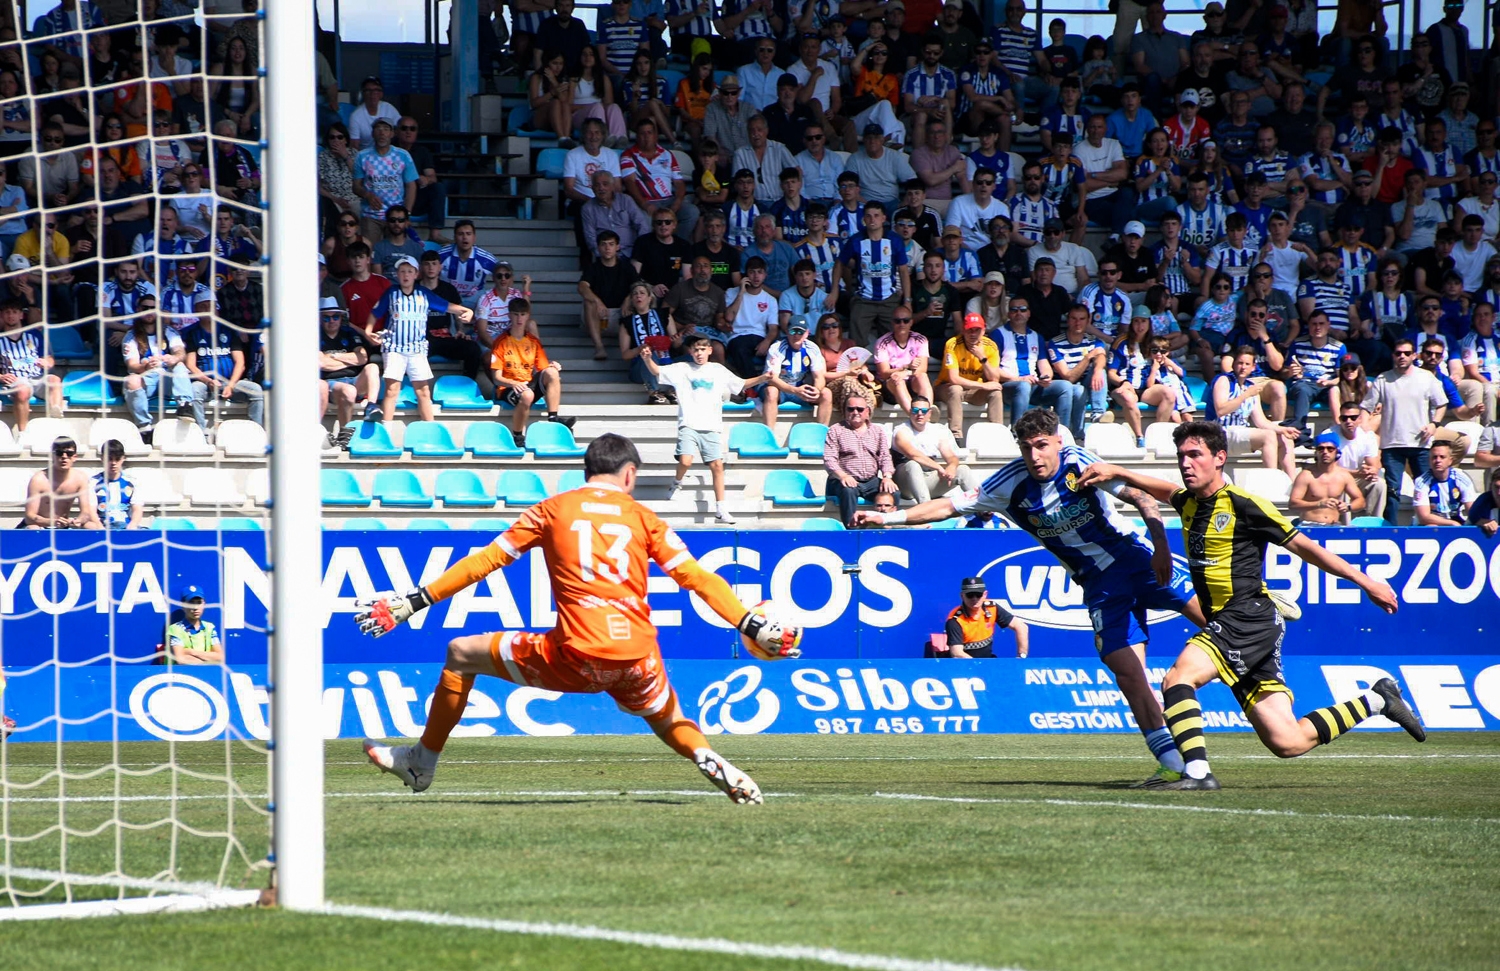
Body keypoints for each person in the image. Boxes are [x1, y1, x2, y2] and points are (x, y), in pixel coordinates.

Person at [360, 434, 803, 803]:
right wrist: (749, 622)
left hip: (576, 652)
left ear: (586, 472)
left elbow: (487, 561)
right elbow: (696, 577)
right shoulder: (643, 517)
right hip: (638, 654)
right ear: (629, 475)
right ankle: (706, 756)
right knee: (668, 719)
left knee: (460, 653)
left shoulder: (553, 510)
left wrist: (417, 600)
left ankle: (422, 763)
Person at [860, 407, 1204, 783]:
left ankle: (1256, 675)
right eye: (1027, 448)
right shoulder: (1009, 483)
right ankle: (1172, 765)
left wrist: (1159, 548)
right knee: (1127, 672)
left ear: (1058, 440)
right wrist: (887, 518)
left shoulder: (1079, 463)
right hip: (1100, 586)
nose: (1035, 456)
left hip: (1141, 561)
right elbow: (946, 506)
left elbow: (1143, 499)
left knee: (1219, 624)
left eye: (1042, 445)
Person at [1075, 420, 1422, 790]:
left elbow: (1305, 546)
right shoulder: (1189, 502)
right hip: (1244, 624)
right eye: (1181, 456)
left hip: (1246, 617)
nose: (1186, 463)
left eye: (1195, 455)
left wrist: (1367, 581)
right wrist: (1116, 471)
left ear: (1220, 458)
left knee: (1178, 678)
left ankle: (1196, 773)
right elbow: (1165, 490)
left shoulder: (1245, 505)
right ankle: (1377, 700)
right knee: (1287, 741)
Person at [646, 334, 764, 524]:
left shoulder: (718, 370)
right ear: (690, 352)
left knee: (717, 466)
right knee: (685, 461)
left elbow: (741, 384)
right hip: (689, 424)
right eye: (695, 350)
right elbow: (656, 371)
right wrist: (647, 358)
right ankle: (677, 483)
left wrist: (763, 377)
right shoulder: (682, 368)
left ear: (709, 350)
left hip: (711, 426)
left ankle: (721, 508)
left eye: (702, 349)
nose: (699, 353)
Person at [367, 255, 475, 424]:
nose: (406, 275)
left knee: (423, 391)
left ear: (416, 274)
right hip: (394, 348)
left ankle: (430, 429)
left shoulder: (424, 293)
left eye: (409, 271)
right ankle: (386, 430)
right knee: (391, 390)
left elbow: (447, 306)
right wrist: (368, 332)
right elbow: (375, 312)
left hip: (417, 349)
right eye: (402, 271)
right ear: (397, 274)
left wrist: (466, 311)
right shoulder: (391, 292)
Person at [1361, 338, 1448, 524]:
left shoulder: (1426, 377)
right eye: (1398, 353)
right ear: (1393, 355)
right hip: (1392, 444)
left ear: (1414, 355)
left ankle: (1429, 525)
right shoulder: (1383, 379)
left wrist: (1434, 425)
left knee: (1425, 490)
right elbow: (1366, 407)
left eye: (1407, 353)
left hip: (1421, 444)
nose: (1402, 356)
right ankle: (1391, 529)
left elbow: (1441, 404)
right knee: (1392, 491)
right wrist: (1364, 430)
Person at [489, 298, 571, 446]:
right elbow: (497, 378)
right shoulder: (501, 342)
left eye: (522, 314)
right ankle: (518, 435)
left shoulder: (533, 341)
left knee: (552, 373)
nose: (519, 318)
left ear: (528, 316)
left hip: (528, 383)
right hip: (508, 387)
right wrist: (513, 383)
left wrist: (553, 366)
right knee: (527, 394)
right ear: (509, 316)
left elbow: (543, 369)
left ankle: (553, 418)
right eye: (515, 314)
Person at [1207, 345, 1299, 477]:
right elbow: (1221, 410)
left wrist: (1283, 430)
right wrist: (1245, 395)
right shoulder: (1224, 380)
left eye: (1247, 364)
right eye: (1240, 363)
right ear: (1234, 364)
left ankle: (1292, 484)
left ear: (1253, 367)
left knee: (1285, 438)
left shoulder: (1251, 387)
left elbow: (1261, 421)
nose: (1243, 367)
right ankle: (1271, 479)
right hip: (1221, 432)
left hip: (1241, 433)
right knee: (1268, 436)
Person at [824, 393, 896, 526]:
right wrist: (843, 476)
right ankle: (852, 530)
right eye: (850, 409)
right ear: (845, 411)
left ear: (867, 411)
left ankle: (886, 526)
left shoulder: (877, 431)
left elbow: (885, 457)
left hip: (871, 481)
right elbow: (829, 459)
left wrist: (887, 476)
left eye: (860, 409)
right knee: (848, 490)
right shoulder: (835, 430)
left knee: (893, 491)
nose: (855, 412)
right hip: (843, 480)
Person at [183, 315, 264, 432]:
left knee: (255, 389)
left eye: (209, 306)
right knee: (194, 390)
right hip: (205, 384)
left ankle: (256, 432)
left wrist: (231, 385)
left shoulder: (228, 331)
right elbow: (190, 365)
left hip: (230, 382)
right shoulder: (193, 334)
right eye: (203, 306)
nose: (207, 310)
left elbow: (240, 363)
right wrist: (208, 381)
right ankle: (201, 434)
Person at [318, 298, 382, 446]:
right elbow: (321, 364)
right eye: (326, 317)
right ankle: (344, 435)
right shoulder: (315, 334)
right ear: (320, 319)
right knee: (349, 390)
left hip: (355, 379)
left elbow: (363, 358)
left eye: (335, 316)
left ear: (341, 318)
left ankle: (371, 406)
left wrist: (334, 356)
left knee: (372, 367)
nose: (331, 321)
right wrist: (349, 359)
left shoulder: (349, 332)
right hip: (330, 383)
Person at [892, 394, 977, 504]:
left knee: (962, 470)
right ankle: (926, 508)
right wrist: (939, 468)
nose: (919, 414)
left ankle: (983, 508)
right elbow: (913, 454)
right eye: (915, 410)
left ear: (929, 413)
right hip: (906, 483)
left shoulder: (938, 430)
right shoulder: (901, 431)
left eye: (923, 410)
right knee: (913, 465)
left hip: (929, 478)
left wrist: (951, 466)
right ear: (910, 412)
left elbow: (950, 455)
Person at [938, 313, 1004, 441]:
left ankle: (998, 435)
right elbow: (954, 379)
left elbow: (994, 379)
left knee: (995, 392)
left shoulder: (990, 346)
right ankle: (956, 436)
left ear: (983, 330)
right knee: (955, 389)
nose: (973, 334)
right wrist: (983, 385)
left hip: (973, 390)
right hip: (946, 387)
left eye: (977, 330)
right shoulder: (953, 344)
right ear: (963, 330)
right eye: (969, 330)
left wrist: (982, 358)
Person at [0, 297, 62, 430]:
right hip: (16, 380)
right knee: (23, 390)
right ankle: (23, 433)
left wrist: (47, 362)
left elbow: (50, 359)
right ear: (2, 316)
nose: (11, 316)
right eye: (7, 312)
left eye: (14, 312)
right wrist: (1, 377)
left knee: (55, 380)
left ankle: (56, 420)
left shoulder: (34, 335)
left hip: (37, 377)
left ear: (21, 315)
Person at [1288, 431, 1365, 525]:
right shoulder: (1306, 475)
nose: (1325, 452)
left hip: (1333, 525)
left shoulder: (1343, 475)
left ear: (1337, 451)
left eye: (1330, 449)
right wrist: (1319, 504)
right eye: (1321, 449)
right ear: (1316, 452)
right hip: (1309, 525)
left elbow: (1360, 501)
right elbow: (1293, 504)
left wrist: (1348, 507)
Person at [23, 436, 100, 529]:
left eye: (69, 453)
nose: (64, 457)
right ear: (53, 456)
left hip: (64, 525)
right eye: (59, 453)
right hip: (41, 524)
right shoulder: (39, 479)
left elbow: (86, 513)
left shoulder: (80, 478)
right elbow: (29, 517)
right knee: (33, 528)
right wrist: (52, 522)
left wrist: (78, 521)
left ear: (75, 457)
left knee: (91, 526)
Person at [943, 577, 1029, 658]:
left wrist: (1021, 656)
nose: (974, 599)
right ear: (962, 596)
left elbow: (1021, 627)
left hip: (987, 662)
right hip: (965, 667)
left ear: (985, 594)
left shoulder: (992, 608)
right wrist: (979, 667)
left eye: (978, 594)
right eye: (970, 595)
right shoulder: (955, 620)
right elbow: (957, 653)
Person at [873, 308, 931, 414]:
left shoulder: (920, 339)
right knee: (897, 379)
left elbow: (922, 369)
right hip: (890, 388)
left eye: (906, 320)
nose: (902, 324)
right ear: (892, 323)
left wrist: (905, 372)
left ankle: (927, 411)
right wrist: (904, 367)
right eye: (897, 321)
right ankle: (914, 415)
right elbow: (884, 373)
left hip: (912, 383)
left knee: (922, 376)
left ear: (911, 322)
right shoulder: (882, 343)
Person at [1411, 440, 1474, 527]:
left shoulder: (1461, 478)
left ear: (1450, 460)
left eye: (1442, 457)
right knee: (1431, 527)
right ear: (1429, 460)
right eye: (1434, 457)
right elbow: (1424, 517)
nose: (1438, 460)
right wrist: (1451, 523)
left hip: (1456, 521)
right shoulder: (1421, 481)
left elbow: (1472, 510)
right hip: (1430, 524)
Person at [163, 585, 224, 665]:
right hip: (180, 675)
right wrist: (209, 660)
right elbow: (181, 660)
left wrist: (190, 651)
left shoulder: (210, 627)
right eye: (191, 603)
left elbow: (220, 657)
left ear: (204, 604)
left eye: (199, 603)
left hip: (206, 674)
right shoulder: (175, 629)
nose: (195, 608)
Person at [90, 438, 142, 530]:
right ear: (102, 459)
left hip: (126, 527)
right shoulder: (93, 483)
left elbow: (137, 509)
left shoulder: (132, 482)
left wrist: (132, 525)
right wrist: (100, 528)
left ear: (123, 459)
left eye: (117, 459)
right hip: (103, 527)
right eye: (109, 459)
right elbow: (91, 511)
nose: (113, 463)